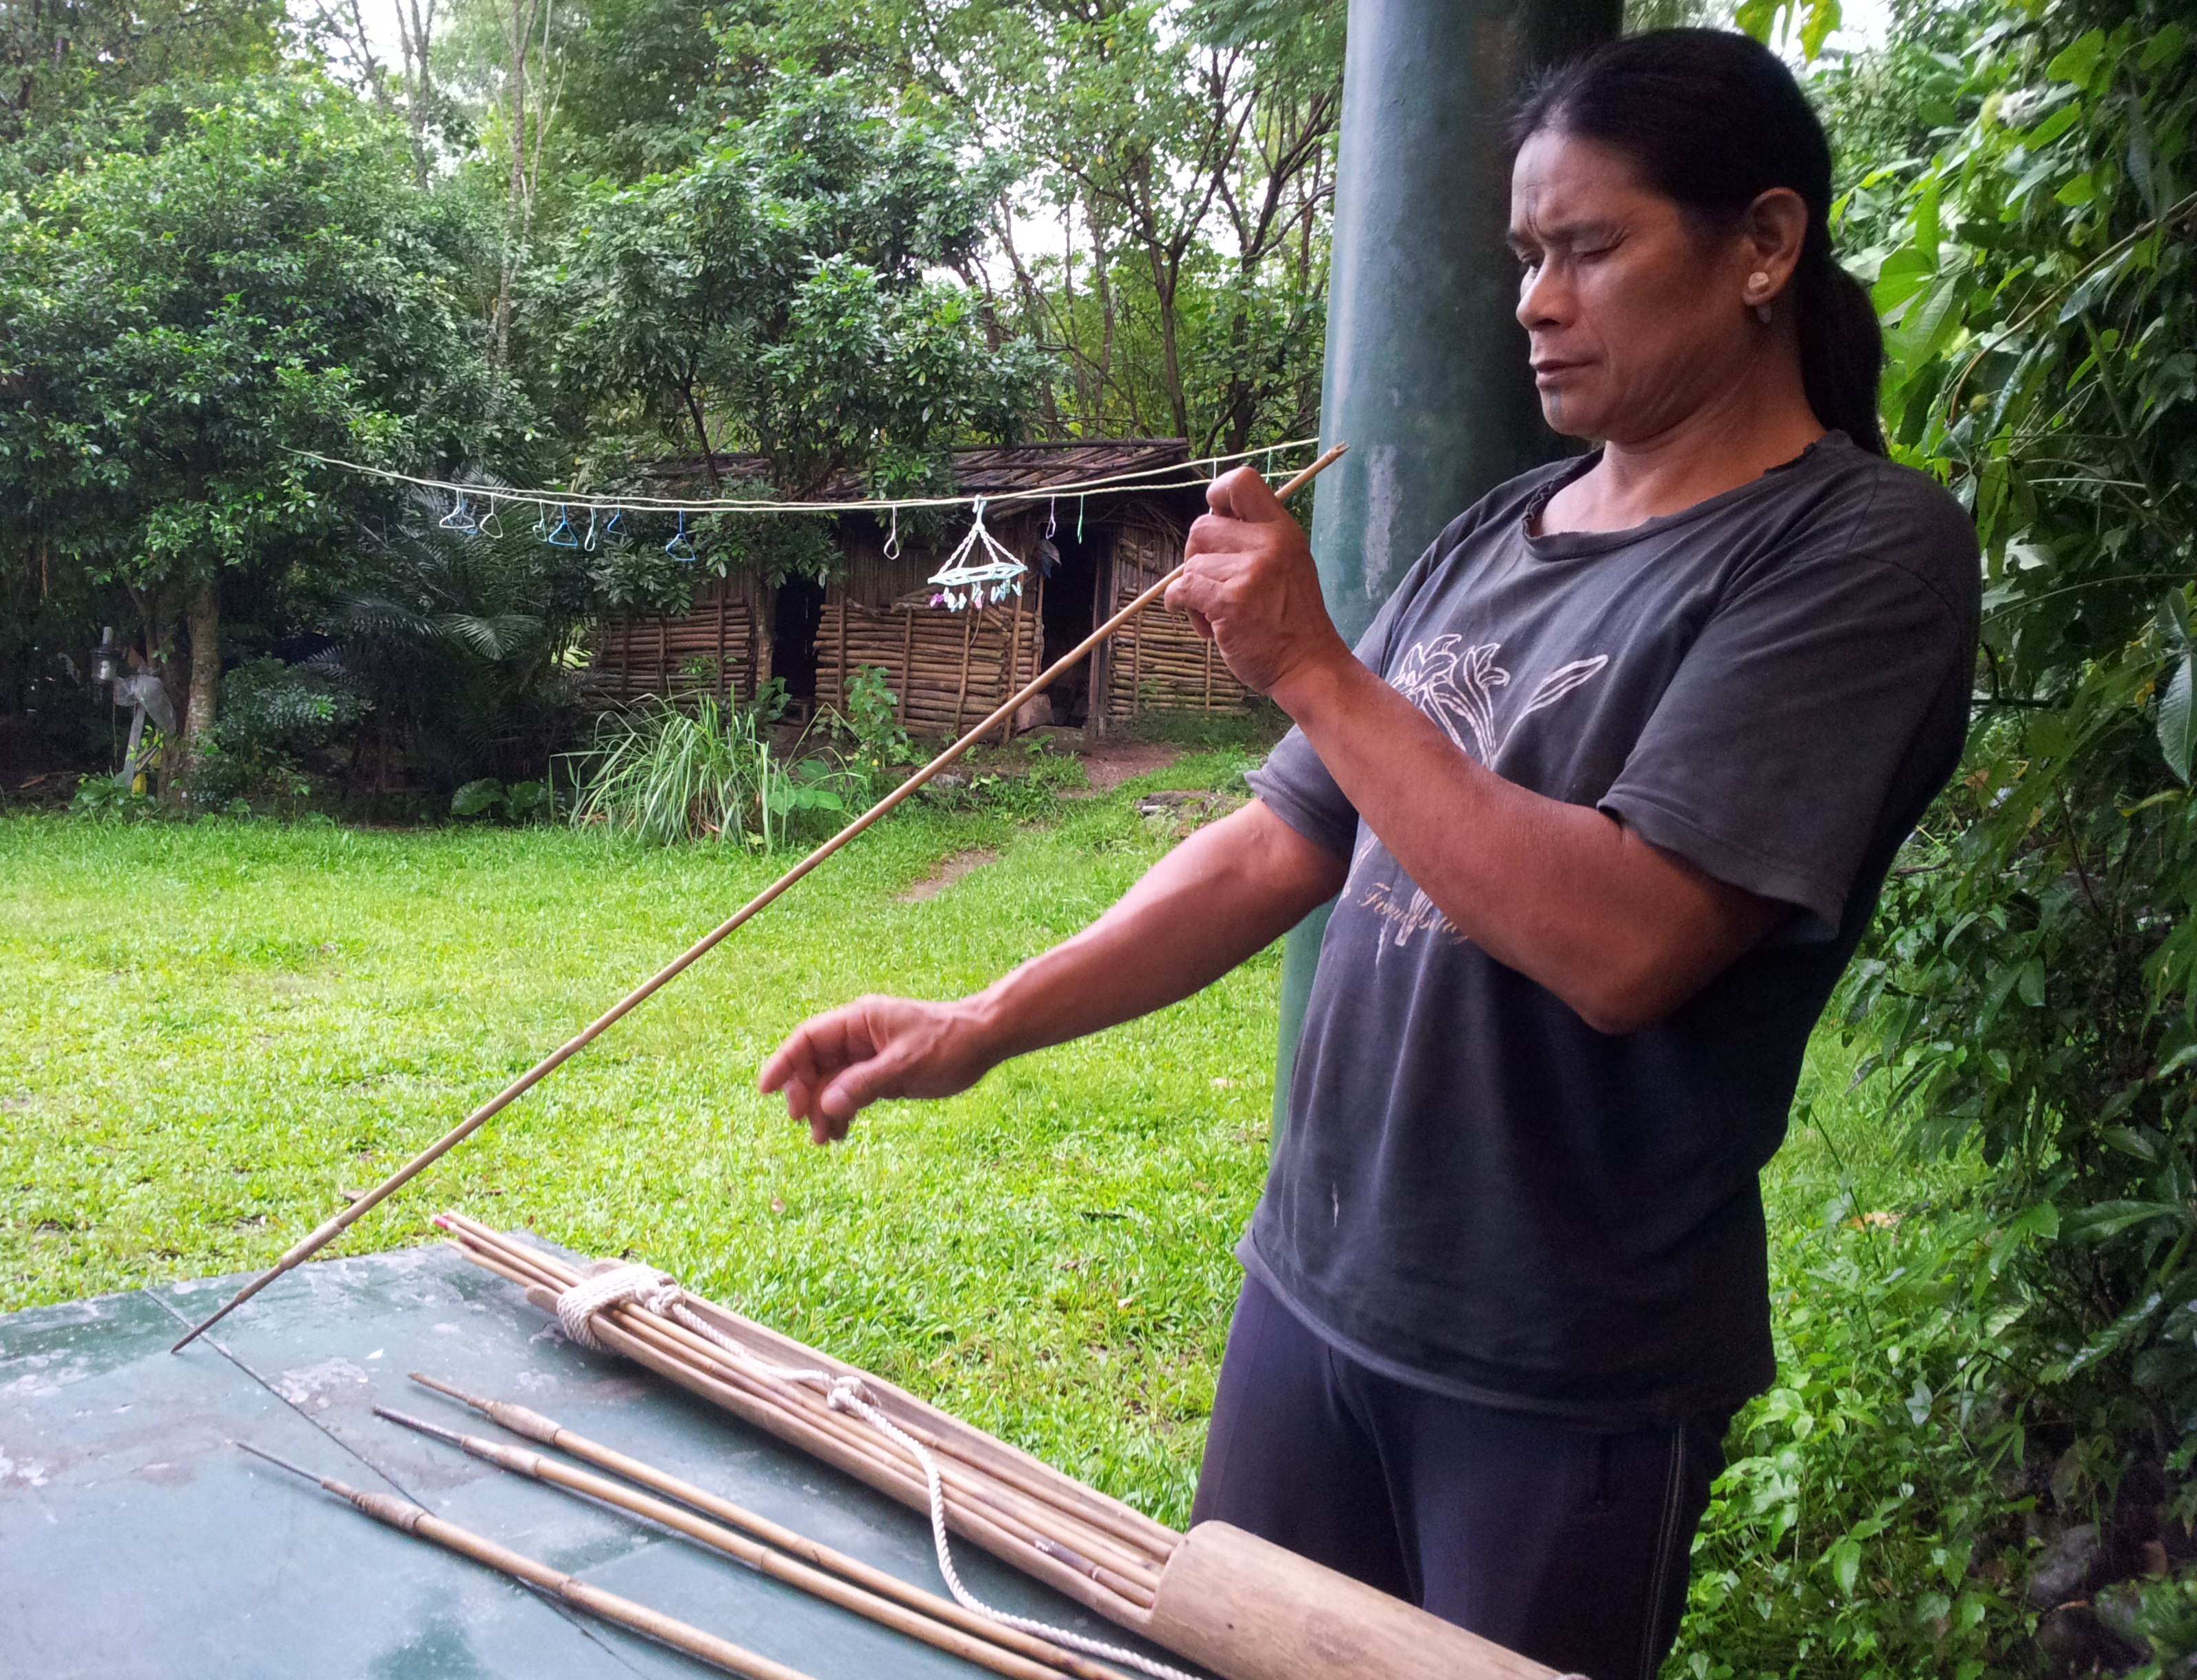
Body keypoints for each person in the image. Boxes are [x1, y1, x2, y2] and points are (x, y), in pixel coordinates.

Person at [760, 28, 1979, 1680]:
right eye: (1525, 257)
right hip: (1319, 1290)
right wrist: (985, 1023)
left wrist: (1319, 667)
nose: (1538, 302)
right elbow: (1278, 846)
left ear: (1764, 243)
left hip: (1561, 1365)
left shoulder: (1856, 549)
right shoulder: (1498, 531)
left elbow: (1630, 946)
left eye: (1592, 249)